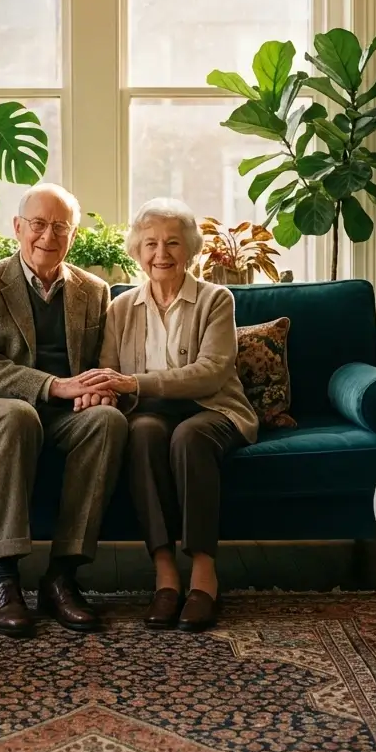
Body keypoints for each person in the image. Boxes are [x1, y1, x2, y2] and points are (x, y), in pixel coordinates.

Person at [0, 184, 128, 639]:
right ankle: (3, 577)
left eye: (60, 227)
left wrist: (99, 392)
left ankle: (62, 576)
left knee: (108, 422)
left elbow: (102, 361)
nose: (48, 236)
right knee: (17, 416)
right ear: (18, 227)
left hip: (61, 412)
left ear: (73, 235)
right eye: (38, 224)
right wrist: (53, 386)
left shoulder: (95, 290)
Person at [84, 198, 258, 632]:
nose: (161, 253)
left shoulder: (215, 299)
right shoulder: (121, 307)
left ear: (191, 249)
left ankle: (203, 574)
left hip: (213, 408)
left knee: (190, 437)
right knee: (141, 433)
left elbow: (211, 372)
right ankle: (164, 573)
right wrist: (100, 393)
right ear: (137, 251)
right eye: (151, 243)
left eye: (173, 242)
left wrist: (134, 383)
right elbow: (109, 371)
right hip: (150, 413)